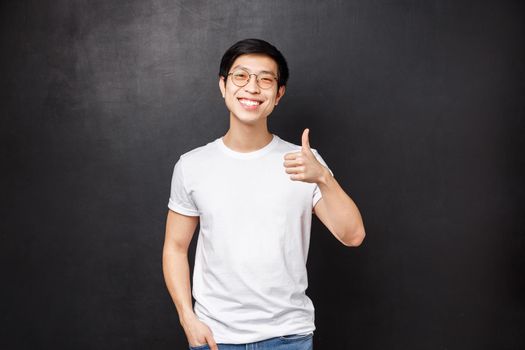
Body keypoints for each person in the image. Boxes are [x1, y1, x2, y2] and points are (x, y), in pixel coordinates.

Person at [162, 38, 365, 350]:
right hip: (215, 339)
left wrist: (324, 178)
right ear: (223, 85)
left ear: (278, 93)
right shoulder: (192, 166)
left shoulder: (305, 162)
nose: (252, 88)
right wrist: (187, 317)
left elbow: (352, 235)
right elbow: (175, 248)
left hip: (289, 337)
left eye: (265, 79)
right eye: (241, 76)